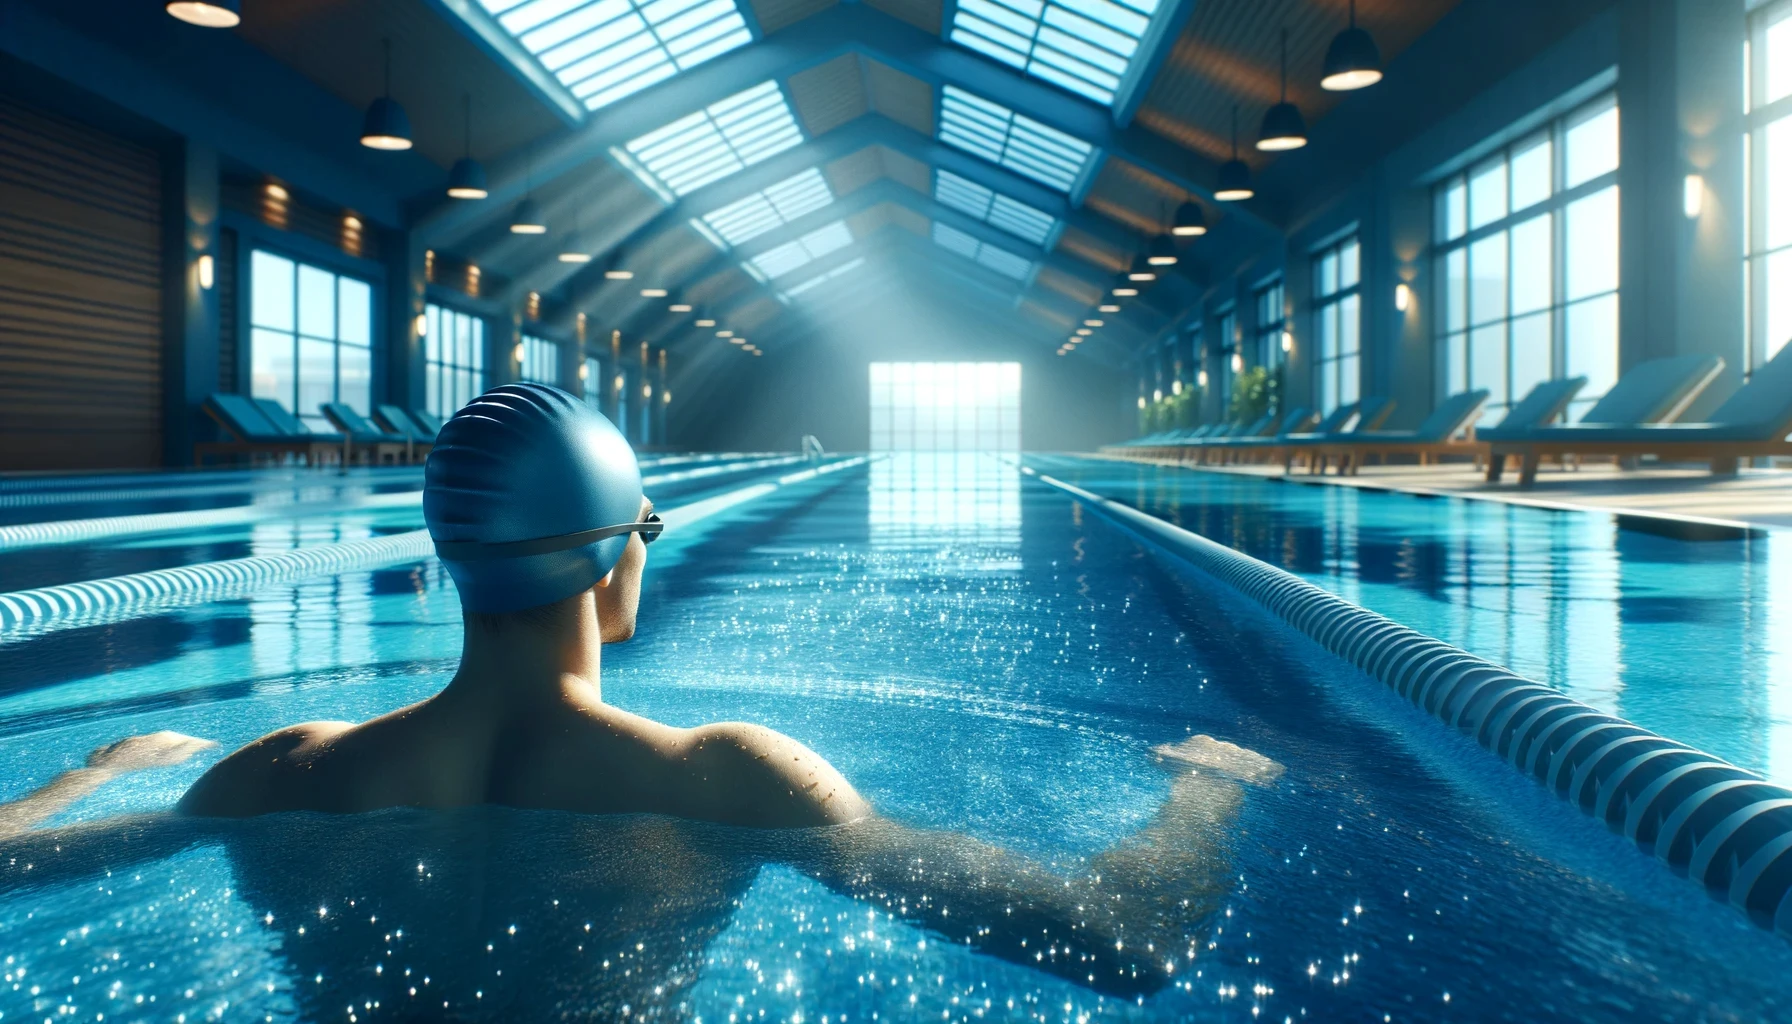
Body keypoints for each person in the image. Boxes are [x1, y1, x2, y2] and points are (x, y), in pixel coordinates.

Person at [0, 384, 1283, 1008]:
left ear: (445, 558)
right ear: (619, 552)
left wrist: (91, 776)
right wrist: (1204, 793)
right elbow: (1122, 940)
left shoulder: (281, 770)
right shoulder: (720, 775)